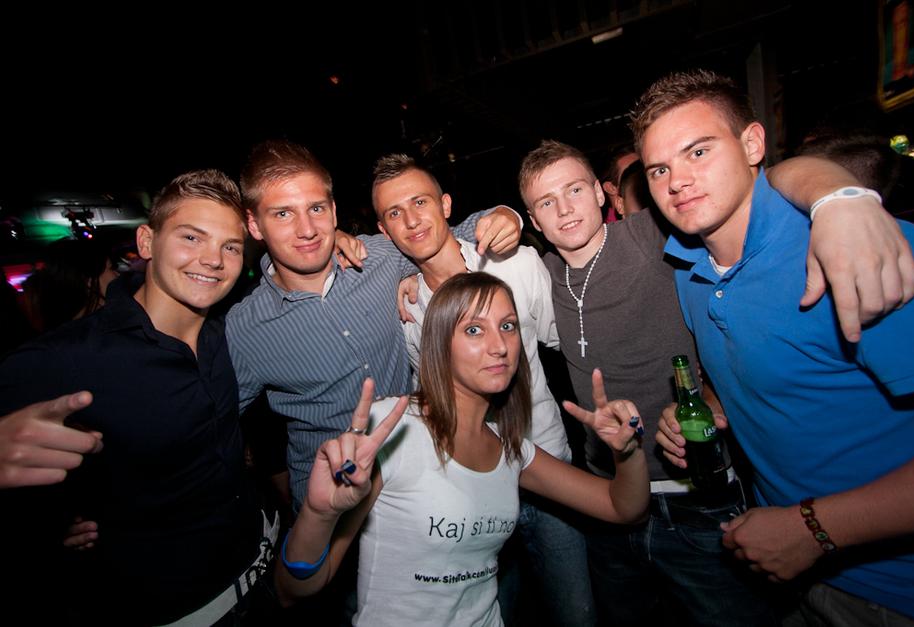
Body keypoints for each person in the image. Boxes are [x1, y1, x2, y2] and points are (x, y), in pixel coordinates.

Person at [517, 136, 914, 625]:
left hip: (695, 495)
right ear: (534, 221)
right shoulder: (542, 275)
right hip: (607, 495)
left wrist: (839, 197)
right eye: (546, 202)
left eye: (575, 190)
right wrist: (495, 219)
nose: (565, 209)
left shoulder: (647, 236)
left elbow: (759, 183)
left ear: (602, 193)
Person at [638, 69, 914, 626]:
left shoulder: (858, 251)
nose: (677, 180)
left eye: (699, 151)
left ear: (753, 144)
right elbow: (761, 369)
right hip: (788, 570)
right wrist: (710, 406)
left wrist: (815, 528)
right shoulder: (689, 269)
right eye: (660, 169)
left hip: (904, 592)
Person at [276, 272, 650, 626]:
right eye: (474, 329)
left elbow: (624, 507)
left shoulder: (511, 450)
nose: (499, 346)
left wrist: (627, 451)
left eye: (508, 326)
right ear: (440, 343)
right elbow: (294, 589)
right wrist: (318, 514)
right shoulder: (393, 427)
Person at [0, 170, 278, 625]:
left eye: (230, 246)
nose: (213, 259)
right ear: (147, 242)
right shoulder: (67, 358)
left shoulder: (230, 332)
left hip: (263, 575)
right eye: (191, 237)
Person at [226, 139, 523, 511]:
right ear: (254, 224)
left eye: (316, 208)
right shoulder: (244, 327)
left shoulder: (378, 257)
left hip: (423, 483)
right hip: (331, 507)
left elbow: (441, 234)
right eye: (283, 214)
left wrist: (505, 215)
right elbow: (214, 427)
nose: (307, 229)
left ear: (333, 211)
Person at [371, 153, 593, 624]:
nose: (411, 220)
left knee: (575, 613)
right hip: (468, 495)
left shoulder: (516, 265)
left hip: (548, 475)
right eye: (394, 212)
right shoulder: (408, 311)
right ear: (384, 230)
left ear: (446, 205)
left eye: (420, 202)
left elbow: (570, 346)